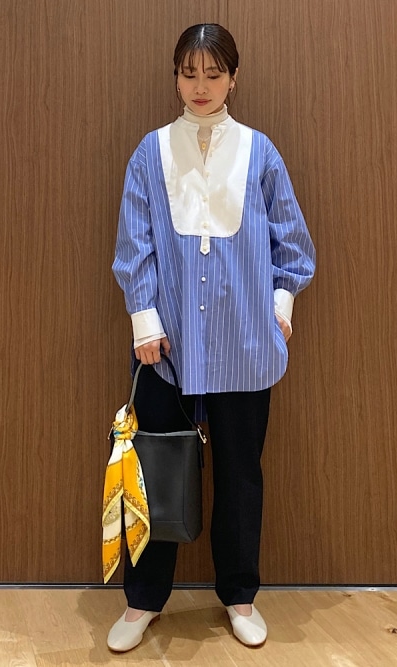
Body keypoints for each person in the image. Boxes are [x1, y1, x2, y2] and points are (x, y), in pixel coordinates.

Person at [109, 23, 316, 652]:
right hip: (166, 348)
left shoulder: (260, 152)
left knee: (240, 473)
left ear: (233, 78)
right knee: (156, 468)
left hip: (244, 346)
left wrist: (280, 305)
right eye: (189, 73)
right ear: (175, 77)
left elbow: (292, 244)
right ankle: (144, 601)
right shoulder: (150, 152)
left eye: (214, 73)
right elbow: (135, 244)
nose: (201, 86)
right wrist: (144, 320)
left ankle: (240, 594)